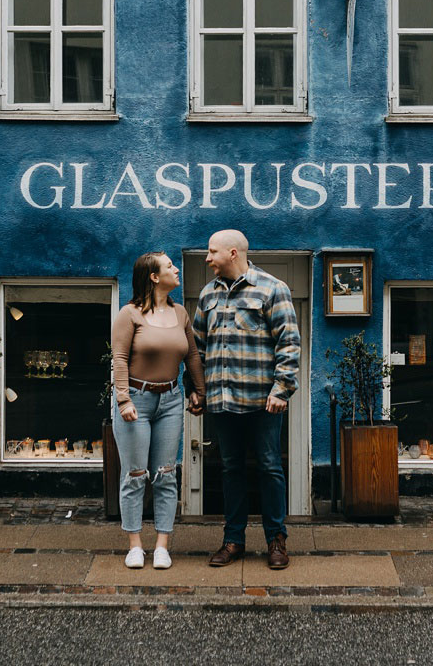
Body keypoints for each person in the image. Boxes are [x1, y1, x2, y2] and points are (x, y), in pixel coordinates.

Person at [193, 229, 300, 570]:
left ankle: (276, 541)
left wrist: (281, 390)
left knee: (269, 468)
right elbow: (197, 347)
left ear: (233, 253)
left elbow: (289, 344)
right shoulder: (207, 295)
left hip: (263, 402)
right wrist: (196, 389)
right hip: (221, 402)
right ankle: (233, 541)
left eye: (212, 252)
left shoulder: (272, 289)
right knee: (231, 469)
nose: (207, 259)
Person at [110, 251, 205, 569]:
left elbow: (192, 355)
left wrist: (199, 391)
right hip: (136, 399)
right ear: (153, 276)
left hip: (171, 400)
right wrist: (123, 399)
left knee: (166, 474)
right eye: (169, 267)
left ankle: (162, 545)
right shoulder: (130, 313)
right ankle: (135, 545)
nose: (175, 270)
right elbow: (120, 358)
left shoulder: (180, 313)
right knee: (136, 474)